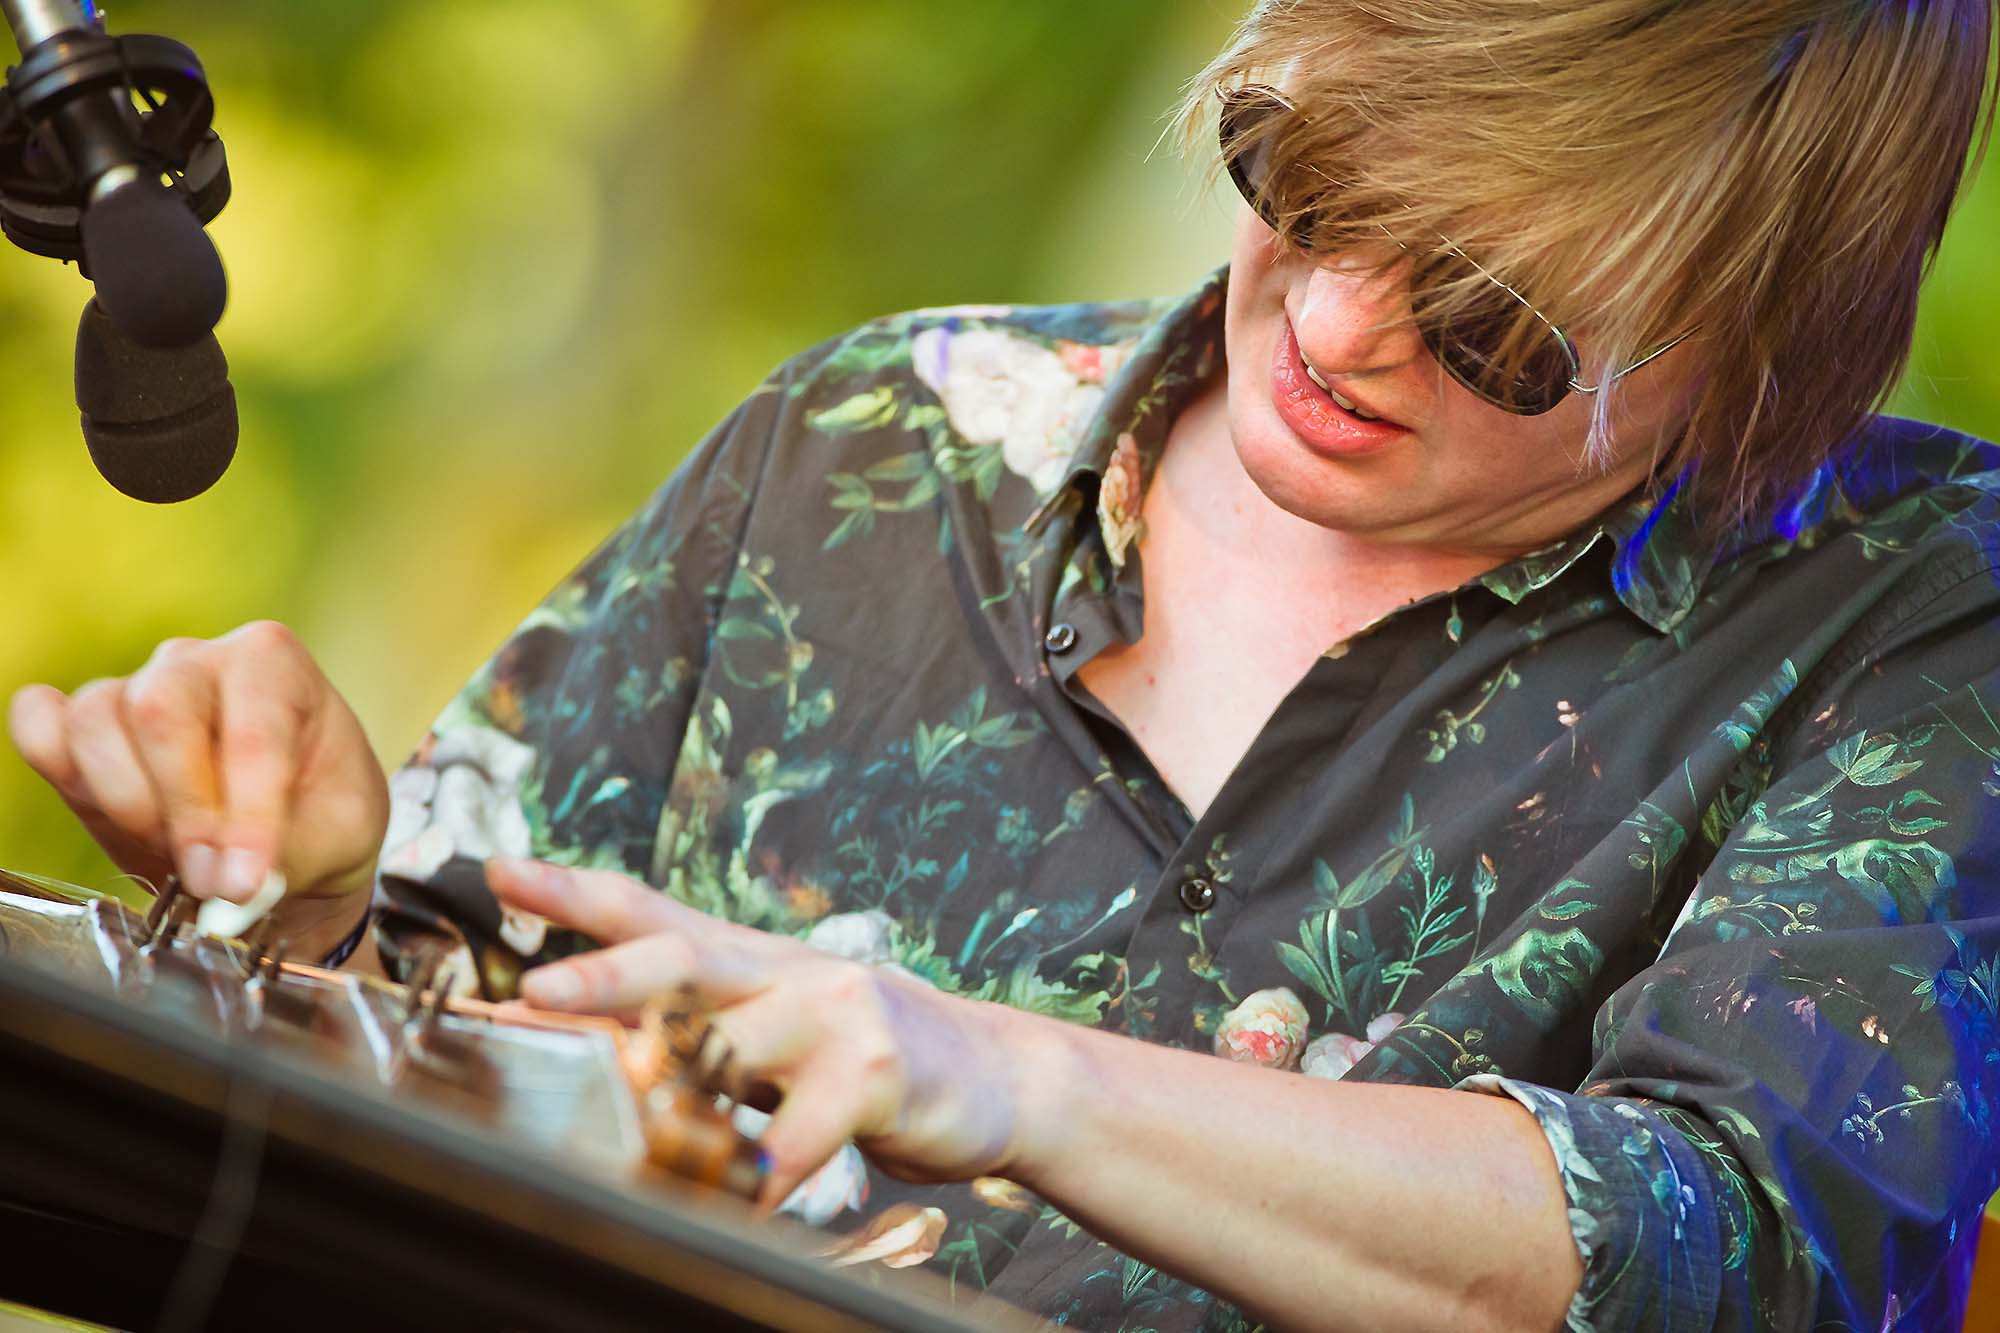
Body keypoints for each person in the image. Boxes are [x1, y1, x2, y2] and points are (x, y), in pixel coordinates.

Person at [9, 1, 2000, 1327]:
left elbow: (1735, 1250)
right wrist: (322, 905)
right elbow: (443, 1082)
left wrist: (1011, 1073)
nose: (1332, 322)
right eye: (1301, 175)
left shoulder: (1912, 608)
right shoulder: (876, 435)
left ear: (1767, 348)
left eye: (1492, 321)